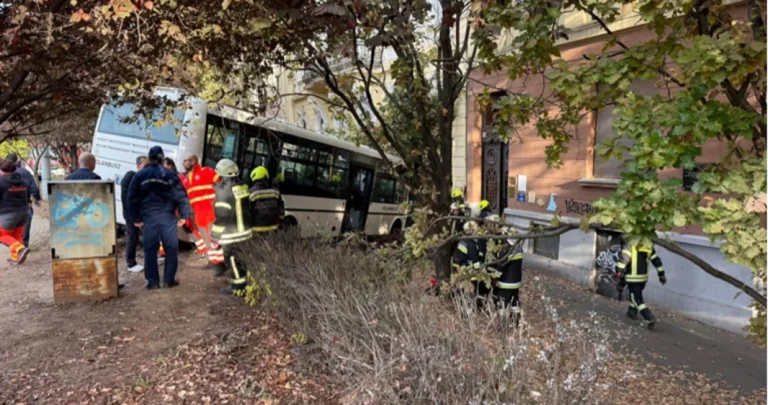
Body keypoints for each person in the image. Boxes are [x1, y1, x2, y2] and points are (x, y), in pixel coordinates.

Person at [127, 146, 192, 290]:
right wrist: (184, 215)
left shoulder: (140, 175)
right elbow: (181, 195)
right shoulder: (170, 175)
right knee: (171, 248)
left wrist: (136, 218)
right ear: (162, 158)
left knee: (150, 249)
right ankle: (169, 280)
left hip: (149, 217)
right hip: (167, 216)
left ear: (149, 158)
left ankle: (152, 282)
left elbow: (131, 198)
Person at [210, 159, 252, 295]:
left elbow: (221, 216)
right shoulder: (243, 187)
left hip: (231, 234)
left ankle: (238, 288)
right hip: (246, 233)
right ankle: (243, 285)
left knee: (232, 261)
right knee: (242, 260)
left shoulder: (223, 193)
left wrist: (215, 236)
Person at [616, 241, 667, 329]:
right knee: (636, 293)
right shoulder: (648, 245)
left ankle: (649, 318)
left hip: (633, 278)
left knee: (635, 298)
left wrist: (618, 271)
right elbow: (656, 260)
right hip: (643, 278)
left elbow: (624, 260)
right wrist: (661, 274)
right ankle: (631, 312)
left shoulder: (630, 244)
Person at [182, 154, 220, 263]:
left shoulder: (206, 171)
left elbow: (221, 183)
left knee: (212, 239)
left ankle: (217, 263)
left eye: (186, 161)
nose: (184, 163)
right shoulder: (186, 180)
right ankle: (213, 262)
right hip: (199, 215)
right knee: (207, 241)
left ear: (193, 161)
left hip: (210, 212)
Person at [485, 215, 523, 319]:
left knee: (502, 303)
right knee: (515, 301)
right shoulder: (518, 248)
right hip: (516, 282)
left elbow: (500, 268)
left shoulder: (505, 250)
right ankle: (516, 321)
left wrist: (494, 278)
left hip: (505, 283)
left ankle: (503, 323)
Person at [452, 221, 491, 307]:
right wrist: (481, 270)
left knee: (461, 288)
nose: (476, 232)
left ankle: (461, 304)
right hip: (468, 271)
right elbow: (475, 260)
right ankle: (470, 305)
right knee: (470, 289)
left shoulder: (463, 240)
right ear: (472, 231)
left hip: (459, 268)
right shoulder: (471, 244)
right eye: (475, 231)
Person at [5, 153, 41, 248]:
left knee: (9, 230)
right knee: (25, 227)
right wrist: (37, 198)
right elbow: (33, 188)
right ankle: (23, 246)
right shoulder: (24, 172)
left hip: (8, 208)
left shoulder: (4, 174)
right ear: (17, 161)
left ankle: (16, 248)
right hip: (24, 205)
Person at [0, 158, 30, 265]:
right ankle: (16, 257)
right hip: (24, 212)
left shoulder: (1, 180)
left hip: (8, 214)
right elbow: (28, 191)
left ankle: (20, 249)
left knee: (2, 235)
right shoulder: (22, 180)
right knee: (16, 236)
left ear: (2, 170)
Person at [121, 156, 147, 273]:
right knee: (133, 238)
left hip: (139, 215)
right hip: (132, 215)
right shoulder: (131, 178)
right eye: (145, 166)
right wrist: (136, 219)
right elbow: (129, 202)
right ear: (139, 166)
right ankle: (130, 263)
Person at [248, 166, 283, 235]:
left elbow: (247, 211)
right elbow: (281, 209)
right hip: (273, 229)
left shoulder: (251, 193)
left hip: (256, 229)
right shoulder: (275, 192)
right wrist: (280, 220)